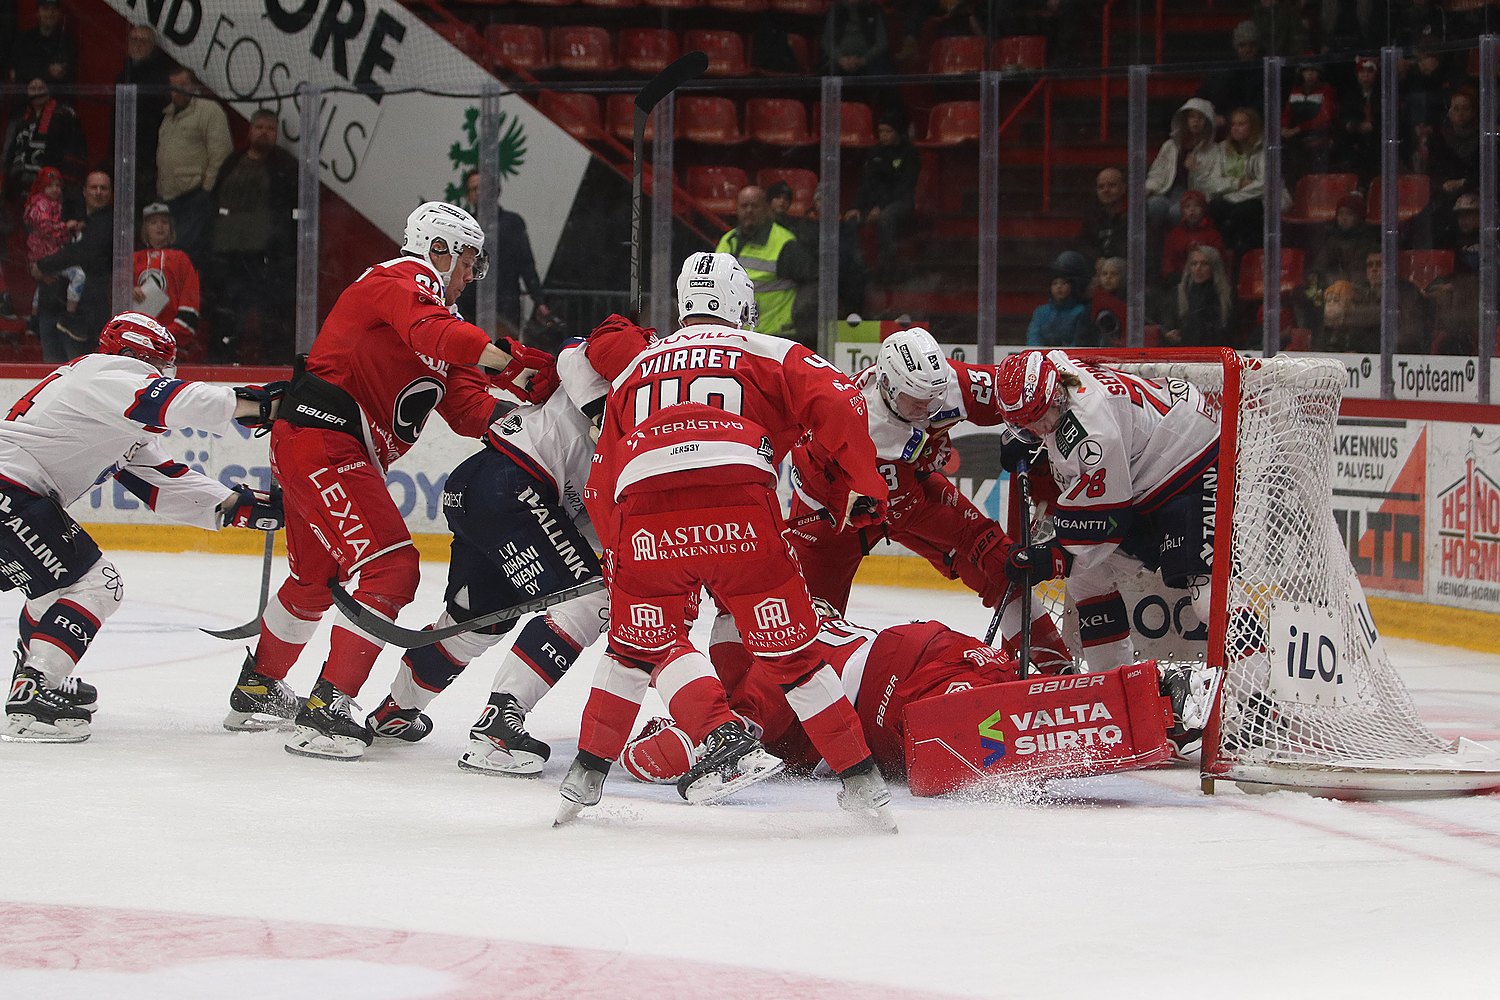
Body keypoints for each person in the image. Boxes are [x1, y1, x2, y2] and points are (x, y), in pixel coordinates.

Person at [556, 251, 894, 828]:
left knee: (630, 653)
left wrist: (620, 556)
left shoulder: (635, 368)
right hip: (741, 513)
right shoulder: (768, 351)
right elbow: (841, 402)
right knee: (797, 659)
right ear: (741, 306)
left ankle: (582, 782)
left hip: (647, 525)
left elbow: (601, 481)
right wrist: (865, 482)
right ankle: (863, 786)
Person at [224, 202, 558, 759]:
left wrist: (537, 424)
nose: (471, 275)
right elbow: (434, 331)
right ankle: (328, 708)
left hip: (323, 445)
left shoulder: (440, 325)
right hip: (326, 438)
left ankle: (258, 686)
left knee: (314, 576)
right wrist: (504, 359)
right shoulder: (401, 278)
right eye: (468, 260)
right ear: (441, 250)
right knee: (391, 568)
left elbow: (470, 407)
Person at [0, 312, 284, 743]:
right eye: (157, 363)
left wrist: (235, 506)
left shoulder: (109, 406)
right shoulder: (105, 373)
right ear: (132, 355)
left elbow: (159, 482)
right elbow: (175, 400)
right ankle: (33, 694)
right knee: (98, 584)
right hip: (10, 493)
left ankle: (41, 679)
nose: (162, 372)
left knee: (55, 590)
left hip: (14, 494)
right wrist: (255, 403)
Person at [364, 329, 624, 774]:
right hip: (515, 484)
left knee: (475, 621)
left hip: (483, 488)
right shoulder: (632, 372)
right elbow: (571, 350)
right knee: (589, 594)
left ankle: (394, 711)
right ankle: (497, 731)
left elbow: (596, 527)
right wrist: (601, 410)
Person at [785, 326, 1073, 672]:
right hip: (829, 513)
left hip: (905, 487)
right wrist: (981, 539)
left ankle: (1056, 672)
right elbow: (910, 512)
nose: (926, 408)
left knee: (1001, 568)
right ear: (888, 388)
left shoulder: (945, 386)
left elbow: (1018, 387)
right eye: (915, 401)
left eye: (933, 398)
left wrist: (1038, 416)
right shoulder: (864, 426)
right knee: (805, 628)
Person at [995, 350, 1220, 674]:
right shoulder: (1054, 366)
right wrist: (1030, 434)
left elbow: (1104, 521)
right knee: (1086, 580)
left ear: (1055, 393)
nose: (1038, 427)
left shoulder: (1093, 434)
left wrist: (1053, 557)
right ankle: (1112, 683)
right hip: (1146, 470)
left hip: (1195, 461)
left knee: (1208, 596)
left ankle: (1253, 696)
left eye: (1040, 418)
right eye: (1025, 423)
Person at [622, 608, 1018, 783]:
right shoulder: (788, 620)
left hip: (890, 693)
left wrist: (634, 750)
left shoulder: (766, 677)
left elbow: (667, 755)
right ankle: (1028, 695)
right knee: (998, 689)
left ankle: (1009, 711)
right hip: (930, 647)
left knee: (957, 722)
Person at [206, 108, 297, 364]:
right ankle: (221, 364)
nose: (264, 133)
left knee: (271, 318)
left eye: (270, 128)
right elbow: (214, 204)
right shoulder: (232, 162)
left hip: (266, 259)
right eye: (259, 127)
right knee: (227, 315)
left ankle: (275, 366)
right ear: (250, 130)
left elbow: (291, 216)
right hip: (229, 255)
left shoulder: (286, 167)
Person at [455, 169, 550, 340]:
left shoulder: (512, 223)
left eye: (482, 187)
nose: (478, 193)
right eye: (473, 189)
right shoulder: (464, 225)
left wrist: (539, 300)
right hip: (470, 306)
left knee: (504, 357)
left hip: (505, 306)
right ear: (468, 195)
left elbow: (526, 264)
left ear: (495, 190)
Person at [715, 185, 816, 345]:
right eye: (744, 206)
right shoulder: (728, 241)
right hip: (738, 336)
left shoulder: (785, 243)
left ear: (766, 209)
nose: (749, 210)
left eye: (754, 206)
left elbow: (812, 283)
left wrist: (799, 318)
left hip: (777, 336)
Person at [33, 169, 112, 362]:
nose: (98, 192)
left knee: (76, 376)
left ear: (111, 193)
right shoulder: (64, 215)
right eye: (94, 187)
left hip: (84, 317)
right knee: (51, 379)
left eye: (104, 188)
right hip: (51, 306)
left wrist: (42, 265)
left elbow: (83, 252)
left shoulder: (111, 223)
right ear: (84, 191)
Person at [156, 66, 231, 267]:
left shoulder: (209, 111)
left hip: (195, 198)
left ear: (194, 86)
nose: (178, 91)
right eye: (174, 87)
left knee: (183, 254)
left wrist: (206, 190)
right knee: (167, 253)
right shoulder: (168, 117)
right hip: (169, 199)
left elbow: (221, 154)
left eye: (183, 85)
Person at [843, 110, 919, 284]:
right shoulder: (874, 152)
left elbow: (904, 186)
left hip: (900, 202)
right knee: (850, 220)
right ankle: (856, 268)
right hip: (874, 203)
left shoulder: (910, 153)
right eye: (881, 132)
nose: (883, 136)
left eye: (888, 131)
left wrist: (881, 206)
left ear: (898, 131)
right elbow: (866, 183)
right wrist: (856, 206)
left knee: (886, 218)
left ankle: (886, 270)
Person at [1200, 107, 1284, 260]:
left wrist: (1233, 196)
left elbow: (1265, 184)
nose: (1235, 128)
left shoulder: (1263, 150)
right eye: (1233, 125)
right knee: (1215, 206)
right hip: (1231, 199)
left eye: (1241, 124)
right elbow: (1211, 182)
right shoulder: (1222, 149)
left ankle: (1242, 260)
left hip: (1258, 201)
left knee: (1244, 212)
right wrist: (1236, 184)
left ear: (1253, 126)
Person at [1314, 249, 1427, 354]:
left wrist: (1343, 315)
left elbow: (1383, 315)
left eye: (1379, 264)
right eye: (1370, 265)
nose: (1373, 269)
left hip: (1401, 353)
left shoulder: (1405, 290)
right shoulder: (1364, 291)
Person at [113, 24, 175, 208]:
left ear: (153, 46)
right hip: (122, 155)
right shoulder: (122, 76)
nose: (138, 44)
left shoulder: (161, 78)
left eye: (143, 40)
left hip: (148, 156)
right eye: (134, 39)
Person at [131, 202, 200, 355]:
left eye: (164, 222)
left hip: (172, 346)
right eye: (153, 223)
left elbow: (190, 306)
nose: (159, 227)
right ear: (145, 229)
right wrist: (129, 292)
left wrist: (164, 336)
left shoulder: (181, 260)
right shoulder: (133, 260)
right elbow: (115, 300)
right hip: (137, 344)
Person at [22, 167, 82, 340]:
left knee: (43, 286)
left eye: (58, 185)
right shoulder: (40, 203)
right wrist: (67, 226)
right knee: (79, 276)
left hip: (50, 255)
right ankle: (70, 314)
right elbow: (44, 228)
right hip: (44, 255)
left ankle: (33, 320)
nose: (55, 189)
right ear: (42, 187)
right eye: (50, 186)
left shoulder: (56, 204)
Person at [2, 77, 87, 198]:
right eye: (33, 89)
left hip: (51, 184)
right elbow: (10, 153)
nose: (37, 92)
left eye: (40, 88)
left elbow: (74, 151)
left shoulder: (64, 115)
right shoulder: (20, 118)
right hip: (20, 184)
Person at [1144, 97, 1218, 237]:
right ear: (1185, 120)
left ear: (1208, 122)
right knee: (1154, 206)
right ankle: (1155, 252)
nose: (1196, 121)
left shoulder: (1214, 150)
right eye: (1192, 117)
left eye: (1200, 118)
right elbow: (1158, 172)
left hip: (1193, 195)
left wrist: (1196, 171)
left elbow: (1213, 183)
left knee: (1177, 212)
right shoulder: (1170, 146)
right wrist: (1150, 187)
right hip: (1166, 191)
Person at [1197, 21, 1266, 133]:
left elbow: (1261, 109)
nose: (1248, 50)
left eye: (1252, 45)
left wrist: (1227, 118)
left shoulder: (1266, 73)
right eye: (1242, 45)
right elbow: (1201, 97)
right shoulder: (1222, 73)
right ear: (1236, 47)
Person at [1163, 245, 1234, 348]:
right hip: (1183, 353)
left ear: (1214, 267)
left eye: (1204, 264)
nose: (1198, 268)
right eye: (1194, 264)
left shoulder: (1225, 296)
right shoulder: (1178, 294)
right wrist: (1170, 336)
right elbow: (1168, 326)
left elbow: (1229, 332)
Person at [1281, 58, 1337, 180]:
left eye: (1314, 70)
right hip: (1295, 139)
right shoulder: (1295, 91)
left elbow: (1324, 118)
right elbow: (1287, 113)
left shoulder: (1326, 90)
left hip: (1318, 135)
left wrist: (1298, 129)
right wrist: (1284, 127)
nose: (1310, 74)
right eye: (1306, 70)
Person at [1026, 250, 1095, 347]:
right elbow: (1033, 337)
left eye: (1064, 283)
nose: (1059, 287)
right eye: (1055, 283)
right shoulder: (1040, 312)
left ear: (1072, 286)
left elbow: (1079, 342)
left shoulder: (1081, 311)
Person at [1160, 190, 1226, 289]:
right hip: (1179, 282)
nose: (1192, 210)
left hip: (1206, 284)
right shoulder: (1174, 235)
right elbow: (1168, 263)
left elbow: (1217, 264)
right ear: (1182, 211)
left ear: (1203, 209)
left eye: (1196, 206)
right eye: (1187, 207)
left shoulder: (1213, 235)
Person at [6, 0, 76, 88]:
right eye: (45, 9)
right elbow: (14, 74)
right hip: (25, 97)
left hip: (54, 96)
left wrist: (31, 70)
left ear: (60, 13)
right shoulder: (24, 39)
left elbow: (62, 74)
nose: (50, 13)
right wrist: (47, 70)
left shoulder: (66, 41)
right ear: (38, 13)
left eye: (54, 9)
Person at [1333, 56, 1381, 182]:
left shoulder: (1383, 95)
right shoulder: (1349, 95)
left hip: (1377, 145)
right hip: (1355, 145)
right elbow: (1343, 118)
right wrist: (1350, 125)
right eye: (1361, 72)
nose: (1365, 76)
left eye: (1369, 72)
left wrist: (1373, 125)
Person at [821, 0, 893, 76]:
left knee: (881, 68)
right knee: (827, 74)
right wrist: (840, 59)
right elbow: (827, 41)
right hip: (839, 59)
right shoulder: (834, 10)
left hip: (870, 59)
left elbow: (882, 42)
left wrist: (863, 60)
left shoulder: (874, 10)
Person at [1077, 167, 1128, 264]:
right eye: (1101, 187)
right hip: (1097, 265)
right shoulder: (1092, 214)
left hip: (1123, 267)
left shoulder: (1132, 214)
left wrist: (1110, 264)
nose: (1106, 190)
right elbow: (1083, 244)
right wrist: (1098, 259)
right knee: (1067, 259)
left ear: (1123, 188)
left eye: (1112, 185)